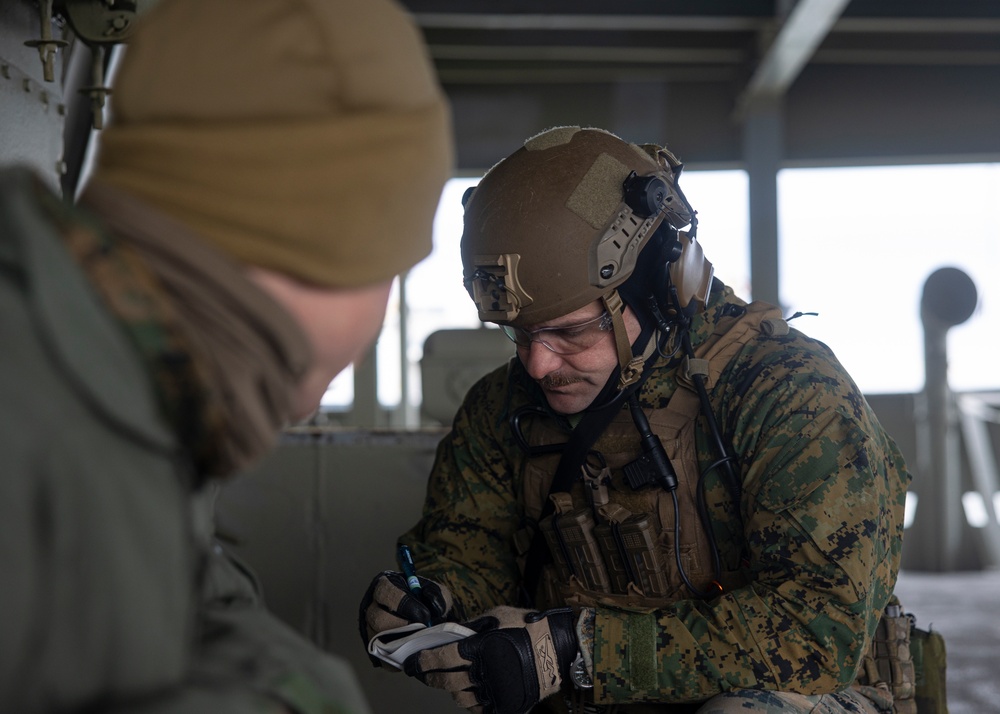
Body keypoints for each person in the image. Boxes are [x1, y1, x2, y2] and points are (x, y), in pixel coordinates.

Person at [359, 127, 911, 714]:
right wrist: (435, 596)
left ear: (659, 285)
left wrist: (579, 648)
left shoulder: (787, 392)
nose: (539, 364)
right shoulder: (501, 408)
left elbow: (818, 632)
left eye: (570, 332)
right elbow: (471, 550)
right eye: (518, 334)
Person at [0, 0, 452, 712]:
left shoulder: (122, 382)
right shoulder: (40, 426)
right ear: (321, 244)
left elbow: (191, 599)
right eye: (394, 261)